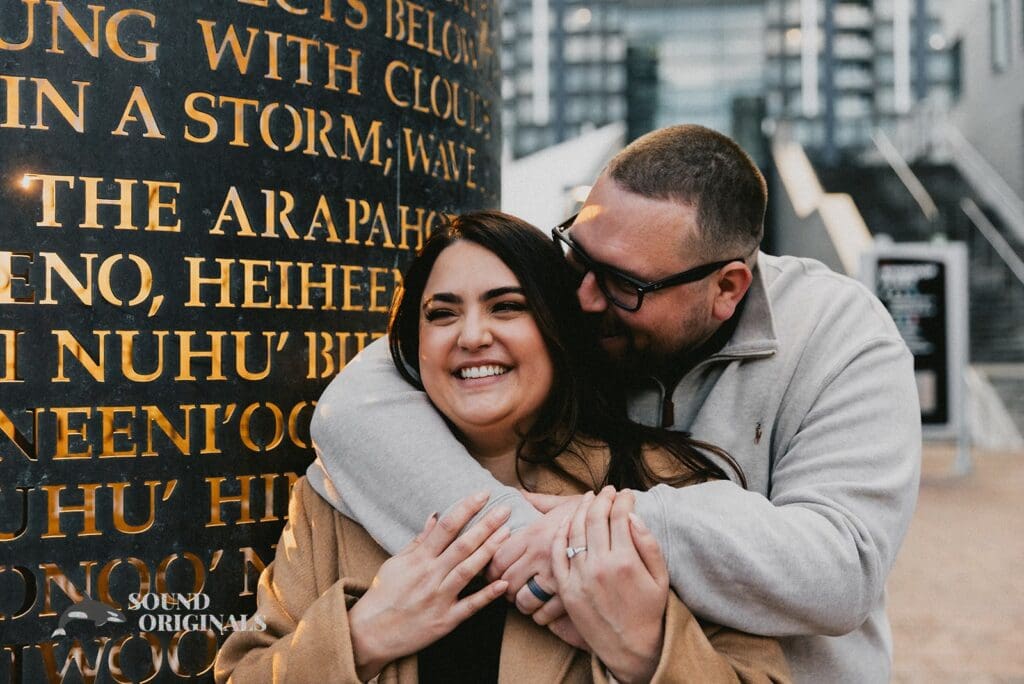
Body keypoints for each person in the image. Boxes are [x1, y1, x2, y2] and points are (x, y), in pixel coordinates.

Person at [308, 125, 922, 682]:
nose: (582, 296)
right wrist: (525, 541)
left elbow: (842, 568)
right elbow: (359, 402)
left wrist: (602, 532)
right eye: (575, 251)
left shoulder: (841, 335)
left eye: (625, 285)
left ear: (727, 287)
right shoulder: (583, 286)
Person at [216, 211, 791, 683]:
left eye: (506, 307)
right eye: (442, 314)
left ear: (557, 330)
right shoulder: (336, 501)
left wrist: (645, 651)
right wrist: (364, 634)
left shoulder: (662, 486)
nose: (471, 337)